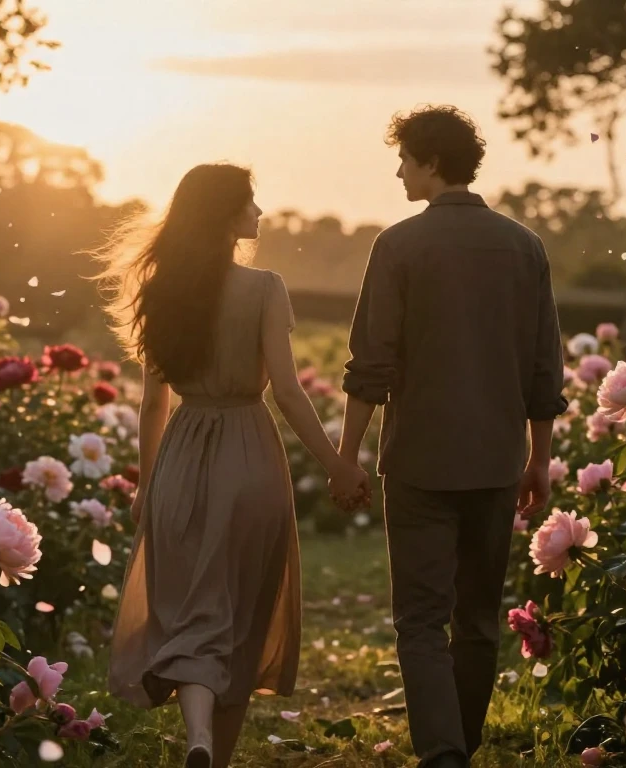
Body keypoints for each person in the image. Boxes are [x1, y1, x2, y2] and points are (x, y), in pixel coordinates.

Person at [100, 163, 370, 768]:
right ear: (225, 216)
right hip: (249, 455)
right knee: (241, 613)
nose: (260, 212)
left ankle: (196, 738)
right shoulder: (265, 288)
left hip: (181, 456)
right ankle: (213, 756)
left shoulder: (160, 290)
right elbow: (288, 391)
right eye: (250, 202)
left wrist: (147, 483)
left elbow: (152, 402)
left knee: (194, 611)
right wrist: (336, 465)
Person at [334, 106, 567, 767]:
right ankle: (458, 746)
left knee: (419, 620)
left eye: (405, 158)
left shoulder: (398, 246)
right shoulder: (525, 246)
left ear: (431, 162)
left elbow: (370, 366)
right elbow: (543, 366)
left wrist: (347, 457)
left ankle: (443, 755)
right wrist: (539, 459)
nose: (399, 169)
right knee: (479, 622)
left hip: (418, 462)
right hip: (497, 461)